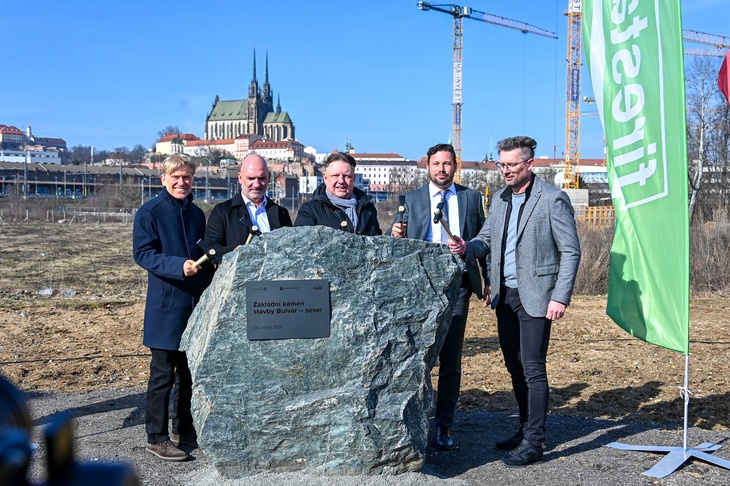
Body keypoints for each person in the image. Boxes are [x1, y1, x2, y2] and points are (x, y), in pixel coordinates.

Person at [449, 136, 581, 466]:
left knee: (533, 369)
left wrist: (560, 297)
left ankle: (535, 441)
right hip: (504, 296)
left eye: (511, 165)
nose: (505, 171)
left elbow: (570, 251)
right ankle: (524, 429)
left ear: (529, 164)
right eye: (501, 165)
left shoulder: (552, 199)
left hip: (538, 297)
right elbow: (485, 241)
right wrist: (466, 247)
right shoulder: (500, 200)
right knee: (514, 365)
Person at [389, 143, 487, 450]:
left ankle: (444, 424)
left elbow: (484, 240)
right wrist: (394, 234)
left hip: (457, 284)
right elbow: (397, 242)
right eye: (436, 164)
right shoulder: (411, 199)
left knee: (451, 358)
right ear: (427, 166)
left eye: (447, 163)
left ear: (455, 166)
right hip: (419, 287)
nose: (441, 169)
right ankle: (415, 419)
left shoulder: (471, 198)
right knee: (417, 357)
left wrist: (487, 280)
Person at [133, 154, 214, 462]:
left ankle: (185, 431)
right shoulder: (149, 212)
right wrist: (179, 266)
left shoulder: (196, 213)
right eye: (176, 177)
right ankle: (156, 437)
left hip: (194, 306)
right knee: (162, 376)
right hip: (165, 308)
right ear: (163, 179)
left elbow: (203, 251)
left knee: (188, 375)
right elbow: (143, 254)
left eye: (187, 177)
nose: (182, 182)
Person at [205, 153, 292, 257]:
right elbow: (210, 249)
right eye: (251, 178)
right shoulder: (222, 212)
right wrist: (233, 252)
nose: (256, 184)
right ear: (240, 178)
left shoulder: (282, 213)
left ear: (269, 178)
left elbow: (290, 249)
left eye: (261, 178)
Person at [294, 152, 381, 235]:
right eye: (335, 175)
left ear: (354, 178)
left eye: (347, 176)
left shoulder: (368, 210)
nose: (341, 181)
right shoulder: (310, 211)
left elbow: (377, 242)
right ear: (325, 178)